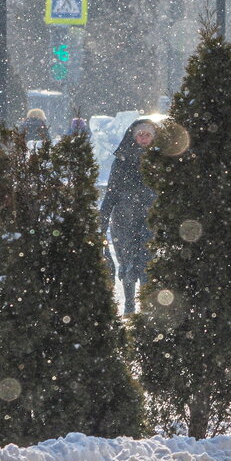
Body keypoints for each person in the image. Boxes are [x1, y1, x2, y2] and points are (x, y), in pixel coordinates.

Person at [100, 118, 159, 314]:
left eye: (148, 135)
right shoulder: (122, 161)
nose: (143, 138)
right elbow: (111, 193)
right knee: (127, 263)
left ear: (154, 137)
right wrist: (103, 219)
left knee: (146, 263)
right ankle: (129, 305)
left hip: (150, 219)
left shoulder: (160, 161)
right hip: (124, 219)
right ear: (133, 136)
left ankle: (146, 306)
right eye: (140, 135)